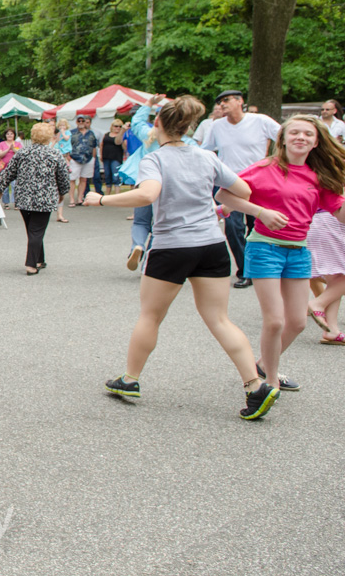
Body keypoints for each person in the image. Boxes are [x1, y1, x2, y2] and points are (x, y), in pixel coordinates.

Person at [83, 96, 279, 420]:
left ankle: (130, 379)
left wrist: (100, 199)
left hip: (172, 246)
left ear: (157, 124)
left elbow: (147, 194)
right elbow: (243, 190)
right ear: (189, 127)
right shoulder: (206, 157)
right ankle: (255, 385)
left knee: (150, 316)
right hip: (212, 245)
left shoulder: (154, 159)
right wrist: (217, 197)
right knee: (219, 319)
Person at [215, 115, 345, 393]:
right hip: (264, 248)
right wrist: (260, 212)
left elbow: (339, 213)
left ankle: (262, 365)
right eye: (294, 132)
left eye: (307, 134)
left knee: (297, 323)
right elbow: (224, 196)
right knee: (275, 321)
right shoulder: (263, 168)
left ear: (316, 142)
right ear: (282, 139)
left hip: (298, 252)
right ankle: (270, 383)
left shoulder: (317, 176)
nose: (301, 138)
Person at [202, 89, 281, 288]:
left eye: (226, 100)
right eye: (219, 102)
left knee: (258, 226)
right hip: (230, 184)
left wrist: (276, 162)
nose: (222, 105)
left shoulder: (260, 121)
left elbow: (284, 136)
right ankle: (245, 271)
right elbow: (206, 150)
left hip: (260, 183)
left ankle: (263, 269)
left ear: (240, 101)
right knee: (233, 227)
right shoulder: (217, 126)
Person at [0, 122, 69, 275]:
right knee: (36, 230)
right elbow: (63, 178)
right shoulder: (54, 154)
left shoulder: (22, 153)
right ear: (49, 137)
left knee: (33, 230)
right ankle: (31, 264)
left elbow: (8, 173)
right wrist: (63, 193)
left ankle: (40, 259)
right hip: (45, 198)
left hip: (24, 198)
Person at [119, 95, 170, 271]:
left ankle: (137, 246)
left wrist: (149, 103)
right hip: (165, 188)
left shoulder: (148, 136)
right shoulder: (183, 142)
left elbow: (137, 121)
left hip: (144, 184)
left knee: (141, 222)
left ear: (156, 121)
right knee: (158, 225)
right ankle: (148, 261)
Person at [308, 210, 345, 344]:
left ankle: (332, 330)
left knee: (336, 280)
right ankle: (318, 303)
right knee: (338, 279)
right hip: (332, 224)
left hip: (320, 222)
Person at [68, 115, 99, 206]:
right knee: (72, 179)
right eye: (79, 121)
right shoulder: (72, 133)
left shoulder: (91, 133)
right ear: (76, 122)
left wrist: (93, 158)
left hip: (88, 159)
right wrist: (68, 158)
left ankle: (80, 198)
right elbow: (66, 146)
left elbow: (94, 146)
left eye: (83, 121)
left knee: (84, 179)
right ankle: (71, 199)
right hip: (74, 158)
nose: (81, 123)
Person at [0, 128, 21, 207]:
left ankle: (16, 202)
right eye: (8, 134)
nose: (9, 135)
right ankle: (6, 203)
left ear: (14, 135)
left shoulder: (17, 144)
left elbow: (20, 153)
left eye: (11, 134)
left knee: (15, 185)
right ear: (5, 135)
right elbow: (0, 154)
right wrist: (8, 149)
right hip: (4, 167)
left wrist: (13, 149)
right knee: (5, 185)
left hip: (16, 167)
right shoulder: (2, 144)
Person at [52, 121, 71, 223]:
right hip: (48, 168)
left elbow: (65, 149)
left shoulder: (60, 137)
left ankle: (60, 214)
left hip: (59, 165)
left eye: (52, 126)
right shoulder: (43, 140)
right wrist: (54, 142)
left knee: (61, 189)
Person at [100, 120, 125, 195]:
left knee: (115, 175)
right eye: (116, 126)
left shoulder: (121, 136)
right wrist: (101, 155)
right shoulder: (106, 134)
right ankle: (108, 193)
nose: (117, 128)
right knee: (107, 175)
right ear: (112, 126)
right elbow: (102, 145)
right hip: (106, 156)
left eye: (120, 126)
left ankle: (117, 193)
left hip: (116, 157)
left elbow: (123, 146)